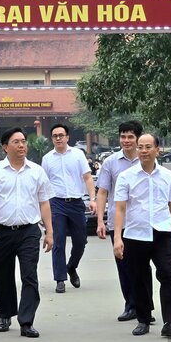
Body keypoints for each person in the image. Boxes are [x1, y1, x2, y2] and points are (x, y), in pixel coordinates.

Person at [0, 127, 54, 338]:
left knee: (30, 274)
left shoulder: (36, 171)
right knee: (3, 274)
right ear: (5, 147)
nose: (22, 145)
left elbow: (44, 202)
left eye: (23, 141)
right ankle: (5, 313)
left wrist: (50, 231)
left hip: (29, 230)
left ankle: (26, 320)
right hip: (2, 230)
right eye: (16, 142)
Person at [113, 133, 171, 338]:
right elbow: (120, 209)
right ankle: (143, 319)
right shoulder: (127, 177)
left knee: (166, 273)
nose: (143, 151)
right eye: (140, 147)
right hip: (135, 233)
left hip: (162, 233)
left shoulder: (167, 176)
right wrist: (118, 238)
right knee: (139, 277)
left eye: (147, 147)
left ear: (157, 150)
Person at [96, 120, 153, 321]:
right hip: (118, 223)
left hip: (142, 222)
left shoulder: (147, 159)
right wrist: (100, 221)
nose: (126, 140)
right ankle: (131, 305)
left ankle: (146, 307)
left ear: (138, 138)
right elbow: (102, 192)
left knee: (144, 266)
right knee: (124, 265)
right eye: (123, 136)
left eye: (130, 136)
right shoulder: (110, 163)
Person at [41, 124, 96, 293]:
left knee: (81, 241)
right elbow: (44, 185)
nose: (58, 138)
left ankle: (71, 267)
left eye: (61, 135)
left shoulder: (78, 155)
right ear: (52, 139)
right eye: (55, 135)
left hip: (76, 202)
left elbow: (87, 177)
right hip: (56, 203)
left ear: (67, 137)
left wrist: (92, 199)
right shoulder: (47, 158)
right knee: (58, 241)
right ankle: (60, 279)